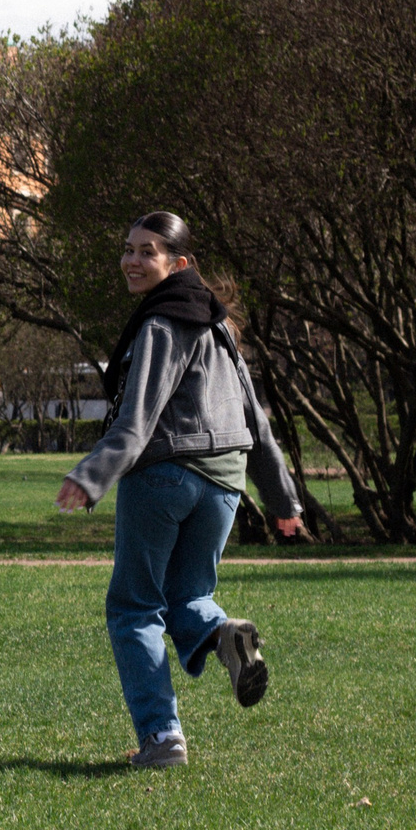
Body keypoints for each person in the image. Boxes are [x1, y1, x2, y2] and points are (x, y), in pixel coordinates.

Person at [57, 211, 304, 769]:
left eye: (148, 251)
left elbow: (137, 420)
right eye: (128, 248)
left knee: (133, 608)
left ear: (179, 264)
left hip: (165, 475)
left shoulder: (162, 325)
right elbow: (258, 425)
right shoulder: (221, 329)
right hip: (225, 483)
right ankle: (226, 634)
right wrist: (283, 501)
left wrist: (92, 474)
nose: (133, 260)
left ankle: (163, 738)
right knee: (188, 596)